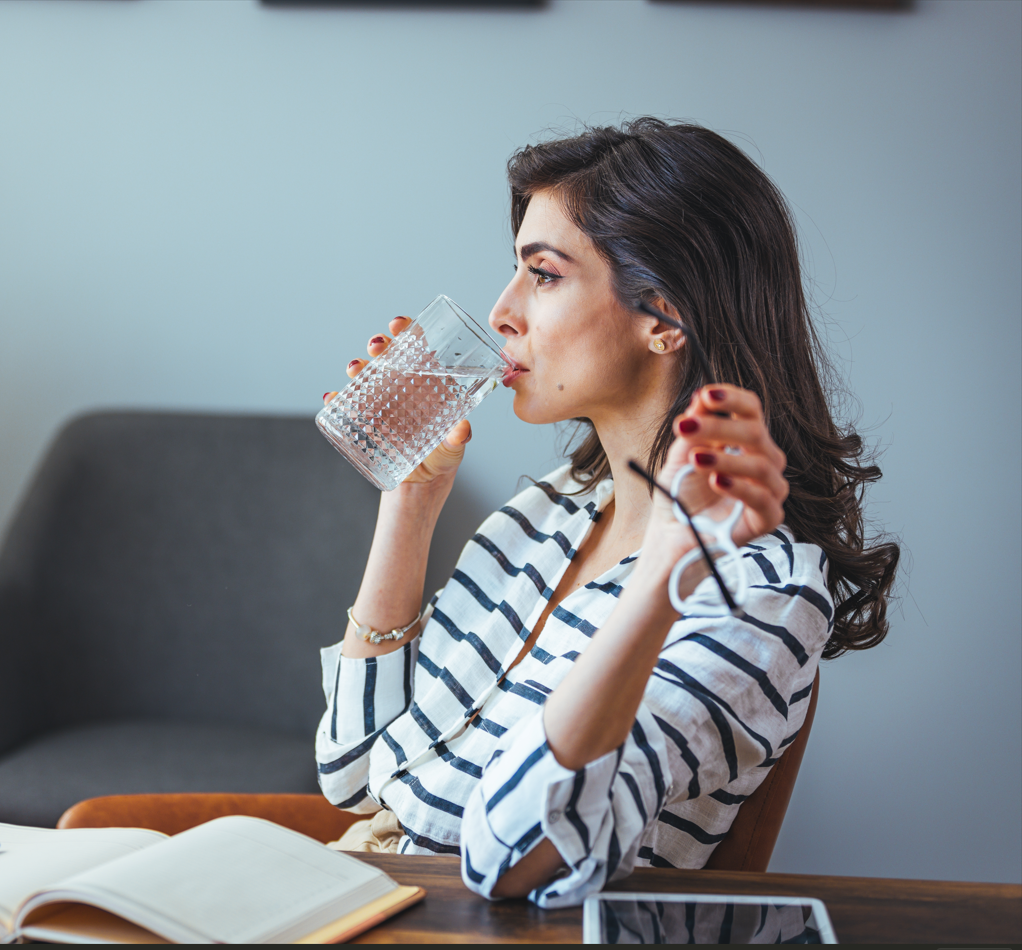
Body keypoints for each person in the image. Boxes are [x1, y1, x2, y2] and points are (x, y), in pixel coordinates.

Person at [314, 118, 899, 907]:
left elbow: (510, 864)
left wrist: (658, 578)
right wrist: (408, 507)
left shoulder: (758, 594)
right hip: (361, 891)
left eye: (543, 275)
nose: (501, 314)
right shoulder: (546, 513)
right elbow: (352, 773)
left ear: (663, 317)